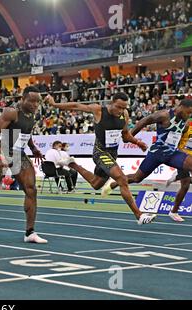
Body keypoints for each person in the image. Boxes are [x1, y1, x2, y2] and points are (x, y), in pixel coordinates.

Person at [45, 92, 156, 225]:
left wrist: (137, 142)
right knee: (121, 179)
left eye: (124, 107)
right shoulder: (98, 110)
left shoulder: (124, 114)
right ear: (111, 102)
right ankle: (139, 215)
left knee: (96, 184)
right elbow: (75, 105)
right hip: (100, 152)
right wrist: (54, 104)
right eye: (119, 107)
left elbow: (125, 135)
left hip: (113, 154)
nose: (121, 110)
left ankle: (73, 164)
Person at [103, 99, 192, 223]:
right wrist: (129, 136)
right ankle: (115, 183)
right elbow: (144, 121)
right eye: (188, 112)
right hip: (156, 154)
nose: (188, 116)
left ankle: (174, 210)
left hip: (172, 154)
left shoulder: (185, 122)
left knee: (186, 179)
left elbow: (177, 135)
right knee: (136, 178)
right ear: (181, 107)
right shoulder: (164, 115)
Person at [0, 86, 47, 243]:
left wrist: (33, 148)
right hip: (4, 151)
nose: (35, 104)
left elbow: (26, 131)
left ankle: (30, 232)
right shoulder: (12, 112)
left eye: (38, 102)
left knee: (31, 189)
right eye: (31, 101)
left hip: (18, 154)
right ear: (22, 99)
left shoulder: (33, 114)